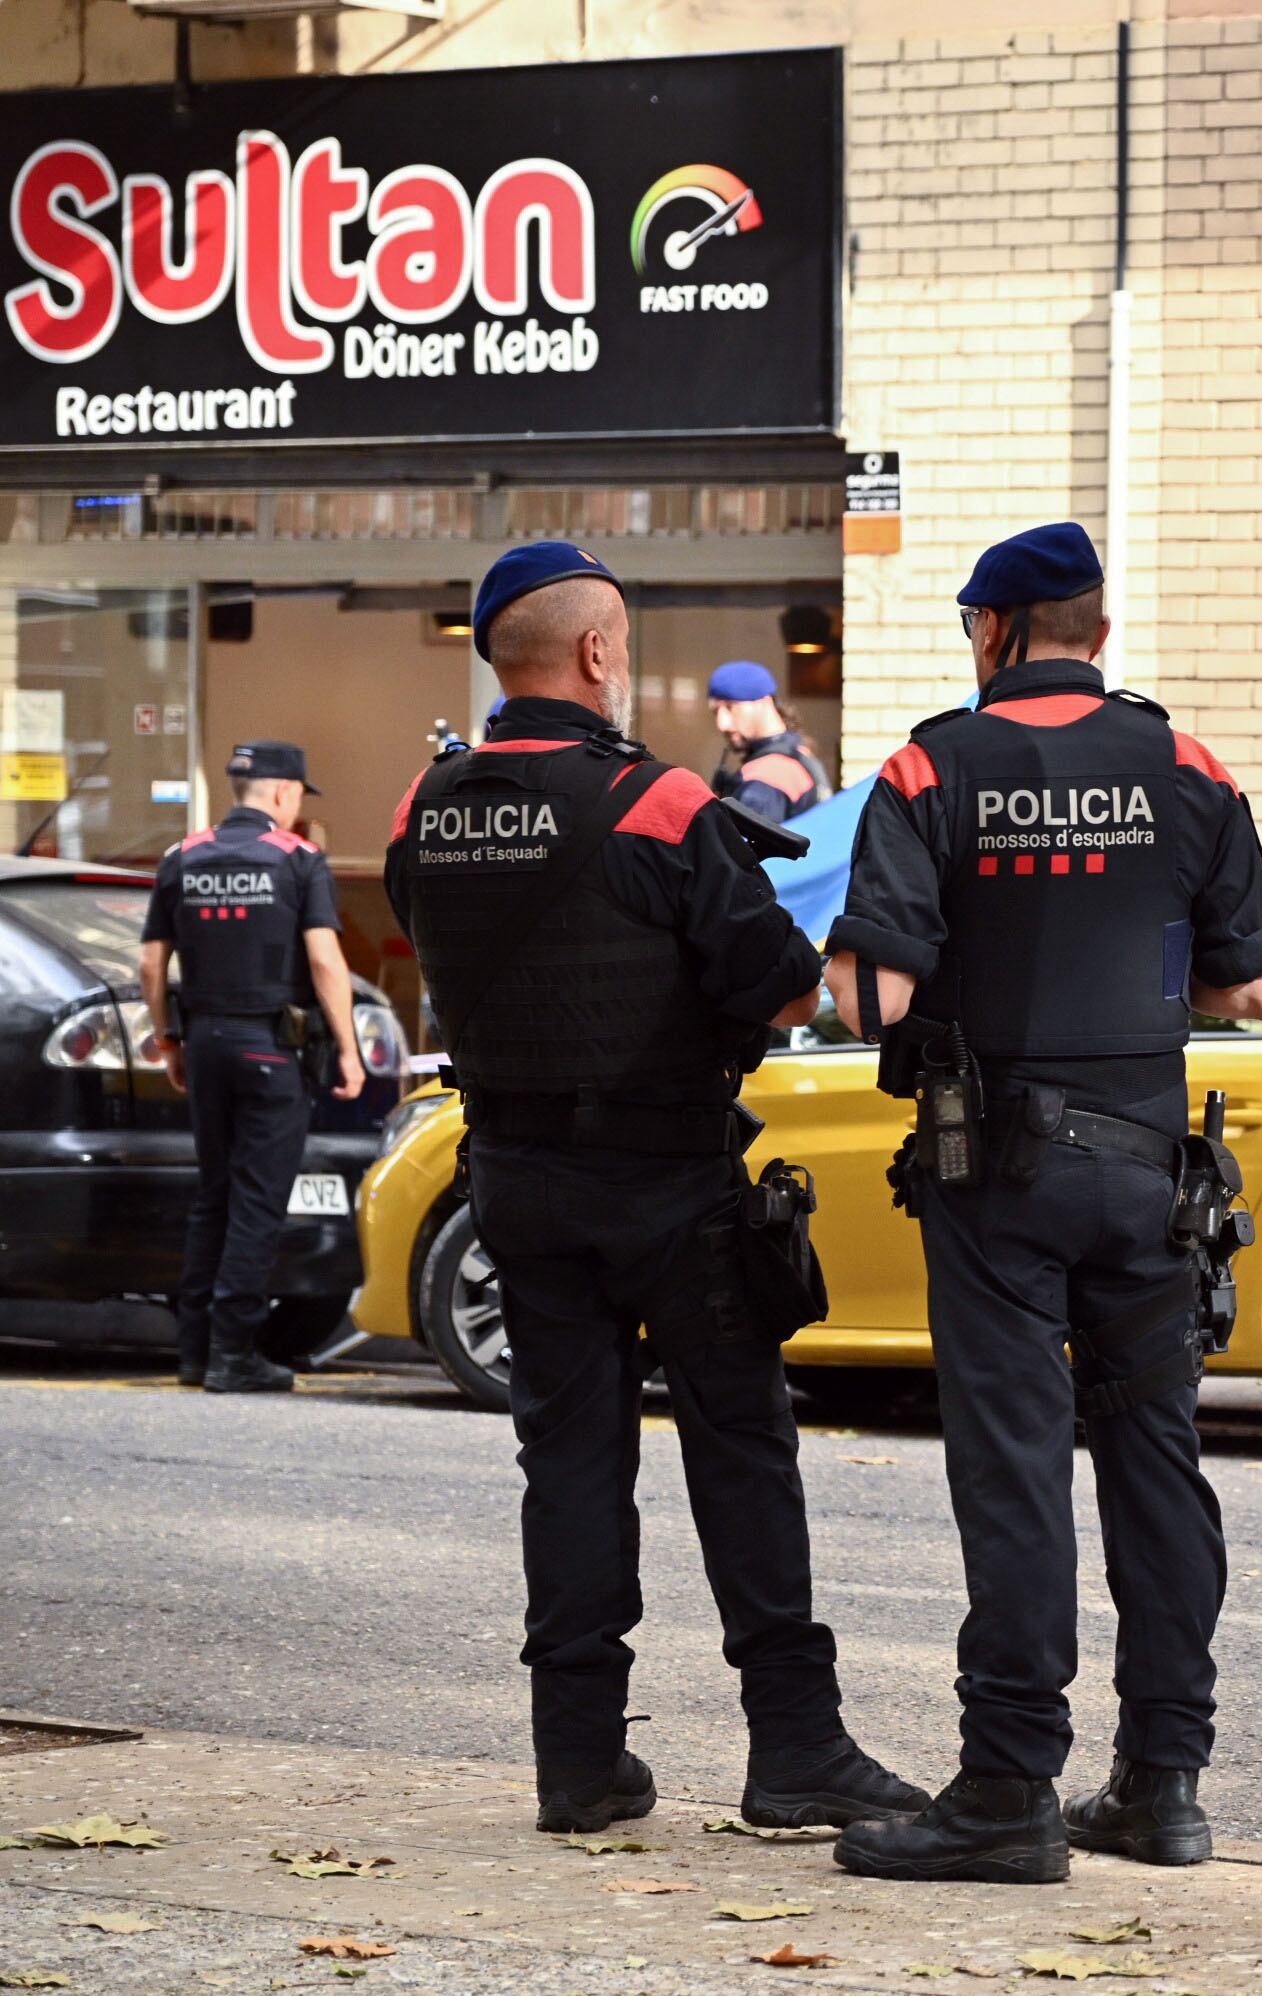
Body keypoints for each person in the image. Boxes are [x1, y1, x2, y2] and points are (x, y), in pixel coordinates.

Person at [386, 541, 924, 1838]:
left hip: (514, 1178)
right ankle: (795, 1747)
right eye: (620, 644)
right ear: (596, 651)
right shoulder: (661, 801)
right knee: (740, 1448)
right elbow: (784, 989)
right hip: (669, 1181)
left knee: (568, 1461)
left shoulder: (423, 807)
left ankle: (578, 1762)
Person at [823, 521, 1262, 1886]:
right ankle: (1163, 1783)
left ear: (993, 630)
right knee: (1156, 1459)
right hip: (1150, 1174)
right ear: (1098, 628)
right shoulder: (1187, 765)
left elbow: (872, 1002)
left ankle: (1008, 1788)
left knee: (1017, 1466)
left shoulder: (931, 768)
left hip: (998, 1179)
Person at [139, 741, 365, 1393]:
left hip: (205, 1044)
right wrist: (348, 1049)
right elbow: (324, 962)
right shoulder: (297, 859)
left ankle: (194, 1350)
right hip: (268, 1045)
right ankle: (233, 1353)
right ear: (284, 792)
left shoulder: (181, 856)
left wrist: (169, 1040)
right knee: (258, 1199)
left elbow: (151, 963)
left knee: (214, 1194)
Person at [708, 660, 830, 826]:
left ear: (765, 702)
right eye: (716, 712)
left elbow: (746, 842)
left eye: (731, 707)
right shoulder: (801, 752)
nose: (722, 724)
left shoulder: (766, 777)